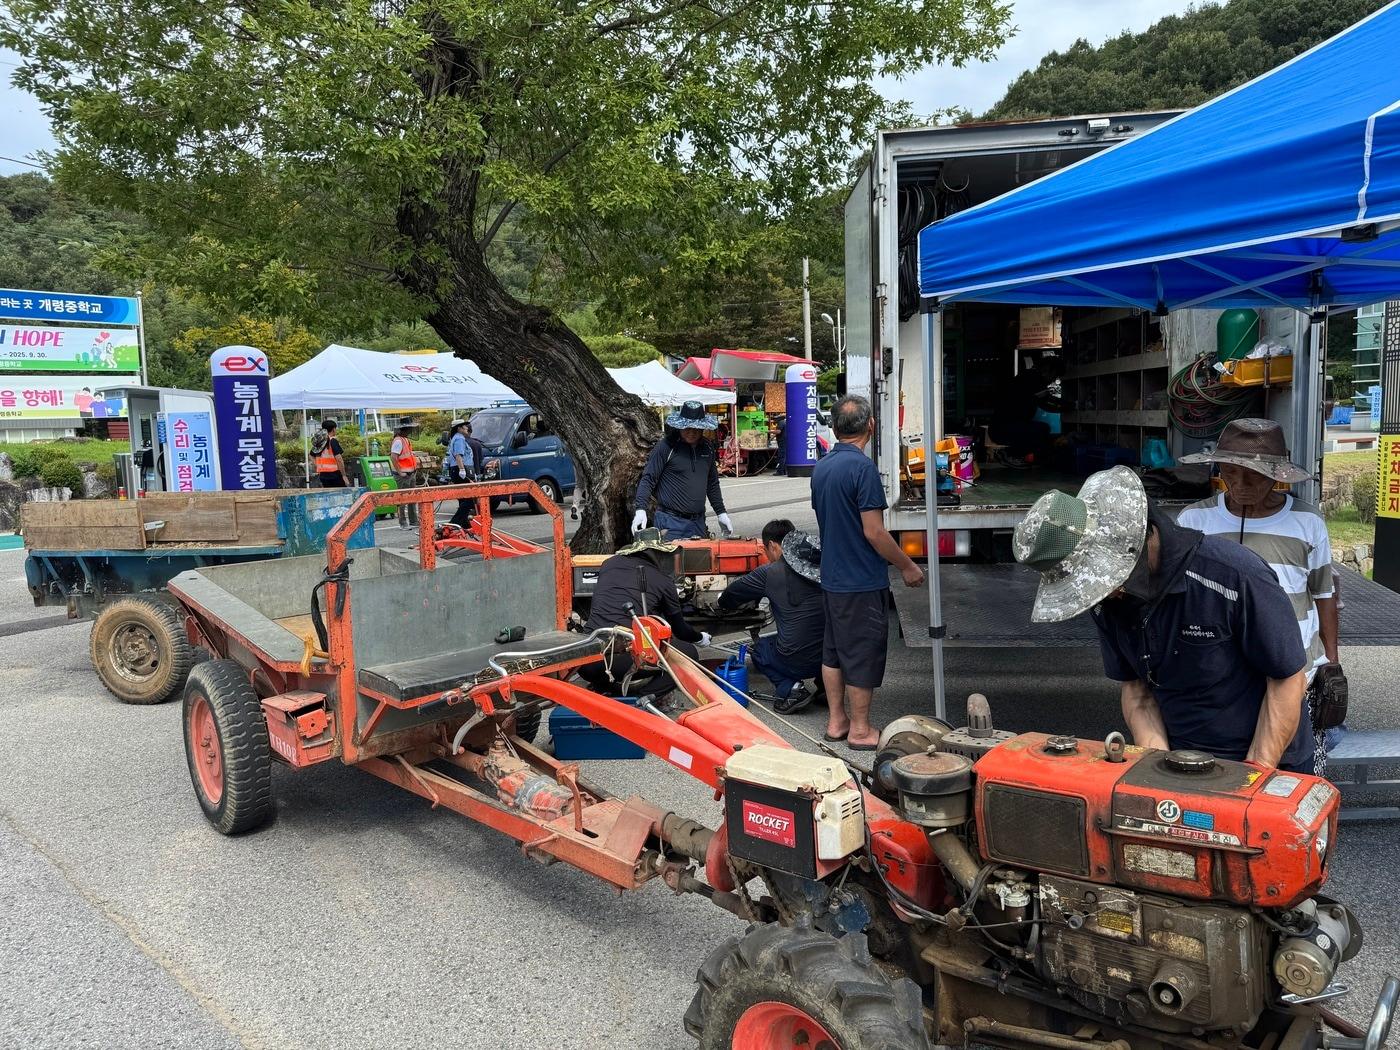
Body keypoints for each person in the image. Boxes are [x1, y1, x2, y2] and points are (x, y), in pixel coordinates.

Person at [1014, 466, 1312, 773]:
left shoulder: (1236, 577)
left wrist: (1256, 772)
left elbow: (1287, 679)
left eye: (1104, 583)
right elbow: (1137, 692)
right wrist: (1160, 767)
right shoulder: (1108, 602)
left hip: (1266, 759)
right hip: (1181, 758)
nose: (1104, 594)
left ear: (1134, 543)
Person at [1178, 418, 1344, 775]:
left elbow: (1324, 593)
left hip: (1295, 672)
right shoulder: (1194, 521)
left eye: (1252, 476)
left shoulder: (1307, 521)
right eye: (1230, 473)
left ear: (1276, 475)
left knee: (1291, 775)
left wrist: (1331, 661)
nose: (1239, 485)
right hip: (1221, 674)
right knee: (1222, 776)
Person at [811, 395, 926, 750]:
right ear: (870, 426)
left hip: (832, 577)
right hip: (860, 580)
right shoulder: (862, 469)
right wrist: (906, 565)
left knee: (833, 652)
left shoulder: (822, 468)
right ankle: (860, 730)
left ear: (834, 428)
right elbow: (874, 531)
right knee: (861, 652)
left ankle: (837, 721)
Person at [579, 528, 711, 690]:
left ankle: (607, 687)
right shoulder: (663, 581)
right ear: (657, 553)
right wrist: (700, 637)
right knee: (689, 654)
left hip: (585, 658)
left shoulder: (609, 564)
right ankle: (644, 697)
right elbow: (680, 630)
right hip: (618, 660)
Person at [717, 520, 825, 713]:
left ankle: (790, 689)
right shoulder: (820, 565)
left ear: (773, 546)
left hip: (798, 659)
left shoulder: (770, 572)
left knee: (760, 649)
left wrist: (722, 603)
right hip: (833, 658)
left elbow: (729, 597)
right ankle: (826, 688)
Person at [633, 400, 733, 540]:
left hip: (698, 522)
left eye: (696, 428)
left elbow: (712, 483)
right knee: (671, 561)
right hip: (670, 522)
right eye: (687, 428)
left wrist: (721, 513)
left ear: (703, 428)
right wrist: (640, 509)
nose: (692, 433)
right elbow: (648, 478)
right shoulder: (666, 447)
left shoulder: (708, 448)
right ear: (680, 426)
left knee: (699, 560)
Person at [989, 355, 1063, 467]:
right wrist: (1068, 406)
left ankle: (1013, 454)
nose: (1053, 380)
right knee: (1042, 430)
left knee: (1040, 430)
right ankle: (1010, 454)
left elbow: (1044, 402)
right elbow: (1046, 402)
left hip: (1001, 427)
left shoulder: (1026, 376)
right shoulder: (1034, 378)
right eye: (1055, 375)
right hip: (1004, 428)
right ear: (1047, 370)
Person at [445, 418, 476, 530]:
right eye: (464, 426)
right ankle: (454, 522)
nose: (467, 428)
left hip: (456, 469)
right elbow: (458, 455)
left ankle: (463, 522)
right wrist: (462, 469)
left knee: (463, 499)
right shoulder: (459, 439)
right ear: (458, 428)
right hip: (461, 469)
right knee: (469, 499)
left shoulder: (455, 438)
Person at [390, 424, 419, 529]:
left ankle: (413, 520)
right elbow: (393, 457)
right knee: (402, 499)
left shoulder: (405, 439)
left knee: (411, 498)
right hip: (403, 474)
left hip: (410, 472)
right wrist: (400, 472)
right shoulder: (398, 441)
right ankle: (403, 523)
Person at [312, 419, 349, 487]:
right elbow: (339, 459)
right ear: (333, 429)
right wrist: (344, 475)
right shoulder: (332, 441)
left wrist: (318, 466)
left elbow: (311, 455)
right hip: (334, 474)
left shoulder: (320, 441)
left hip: (323, 475)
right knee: (340, 494)